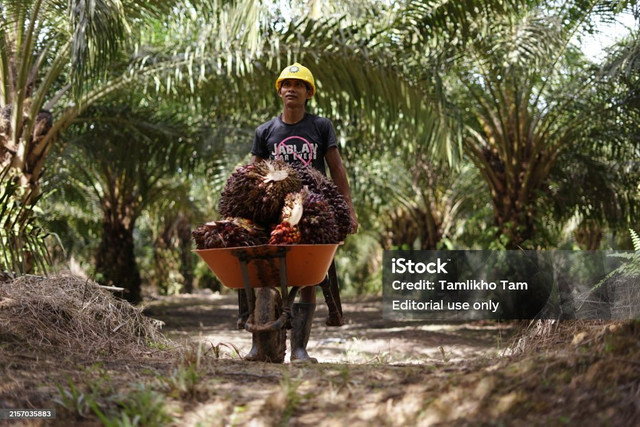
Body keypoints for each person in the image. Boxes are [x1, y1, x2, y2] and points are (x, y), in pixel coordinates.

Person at [240, 62, 358, 363]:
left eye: (298, 85)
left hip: (312, 208)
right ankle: (257, 343)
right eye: (286, 84)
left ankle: (300, 349)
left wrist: (348, 208)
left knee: (308, 276)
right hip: (274, 209)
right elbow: (253, 173)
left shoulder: (321, 126)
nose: (291, 89)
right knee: (260, 269)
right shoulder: (265, 130)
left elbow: (336, 168)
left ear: (308, 93)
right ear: (280, 91)